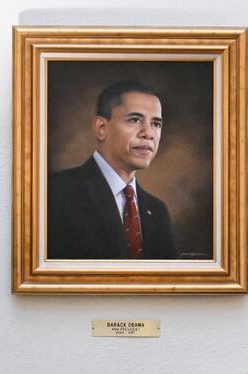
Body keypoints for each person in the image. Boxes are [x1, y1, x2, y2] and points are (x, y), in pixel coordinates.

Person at [47, 81, 177, 259]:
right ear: (101, 128)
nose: (149, 133)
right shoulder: (55, 192)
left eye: (156, 124)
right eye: (134, 120)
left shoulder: (157, 210)